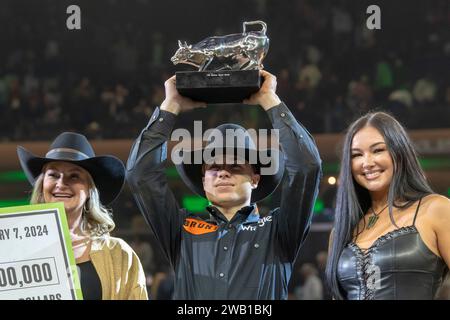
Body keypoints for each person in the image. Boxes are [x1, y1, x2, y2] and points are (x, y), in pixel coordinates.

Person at [126, 70, 322, 299]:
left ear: (255, 179)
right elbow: (140, 174)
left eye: (236, 166)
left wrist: (270, 100)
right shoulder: (180, 229)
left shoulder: (278, 230)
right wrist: (170, 106)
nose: (223, 173)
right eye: (213, 167)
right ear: (203, 180)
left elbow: (307, 167)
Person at [326, 112, 450, 300]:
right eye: (357, 155)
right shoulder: (341, 231)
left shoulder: (435, 209)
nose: (367, 163)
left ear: (399, 152)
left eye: (378, 150)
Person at [17, 132, 148, 300]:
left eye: (74, 176)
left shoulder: (119, 254)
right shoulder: (14, 248)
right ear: (42, 186)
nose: (61, 183)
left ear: (89, 190)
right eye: (53, 175)